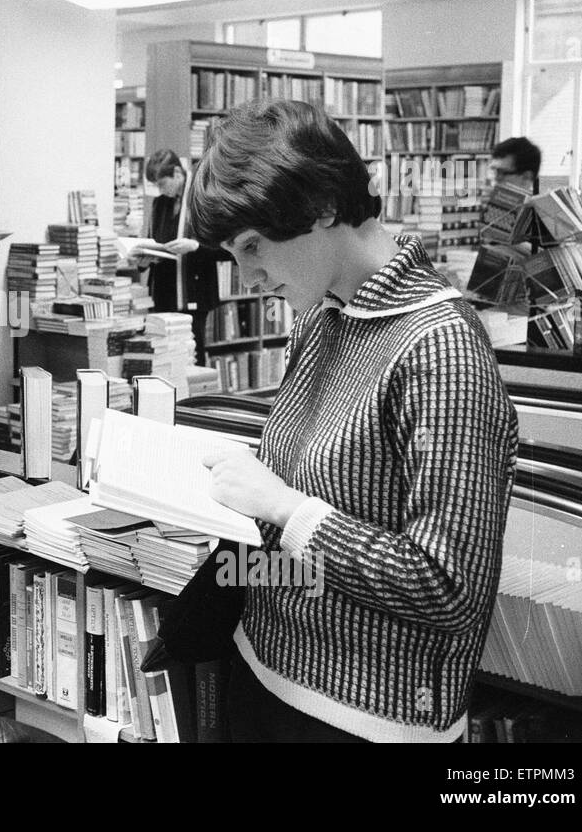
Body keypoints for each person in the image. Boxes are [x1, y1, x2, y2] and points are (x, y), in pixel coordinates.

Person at [187, 99, 518, 742]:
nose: (247, 275)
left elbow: (447, 586)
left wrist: (285, 508)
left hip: (362, 717)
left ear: (322, 208)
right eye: (233, 252)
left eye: (253, 246)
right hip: (265, 668)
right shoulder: (323, 314)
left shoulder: (439, 347)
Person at [138, 149, 222, 362]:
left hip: (193, 292)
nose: (160, 190)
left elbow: (223, 247)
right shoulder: (160, 204)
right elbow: (154, 241)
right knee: (164, 355)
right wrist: (144, 259)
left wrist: (194, 246)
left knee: (192, 353)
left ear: (177, 173)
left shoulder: (202, 200)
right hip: (163, 293)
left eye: (162, 184)